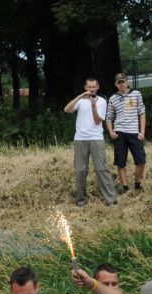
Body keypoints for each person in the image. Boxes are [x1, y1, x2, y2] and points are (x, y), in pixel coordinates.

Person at [64, 77, 117, 207]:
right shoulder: (80, 101)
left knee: (101, 169)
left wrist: (93, 106)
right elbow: (67, 109)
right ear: (85, 87)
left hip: (96, 138)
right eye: (89, 87)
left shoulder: (102, 101)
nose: (91, 89)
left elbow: (98, 120)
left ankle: (110, 200)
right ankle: (81, 200)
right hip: (80, 139)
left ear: (97, 87)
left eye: (94, 87)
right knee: (80, 170)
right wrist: (80, 96)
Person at [105, 72, 147, 193]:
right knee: (120, 162)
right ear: (116, 84)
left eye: (123, 81)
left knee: (141, 161)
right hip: (120, 133)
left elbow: (142, 113)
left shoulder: (136, 94)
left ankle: (137, 184)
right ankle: (125, 188)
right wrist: (111, 132)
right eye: (119, 82)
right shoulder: (113, 98)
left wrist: (142, 131)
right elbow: (109, 118)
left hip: (134, 132)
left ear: (127, 82)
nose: (121, 84)